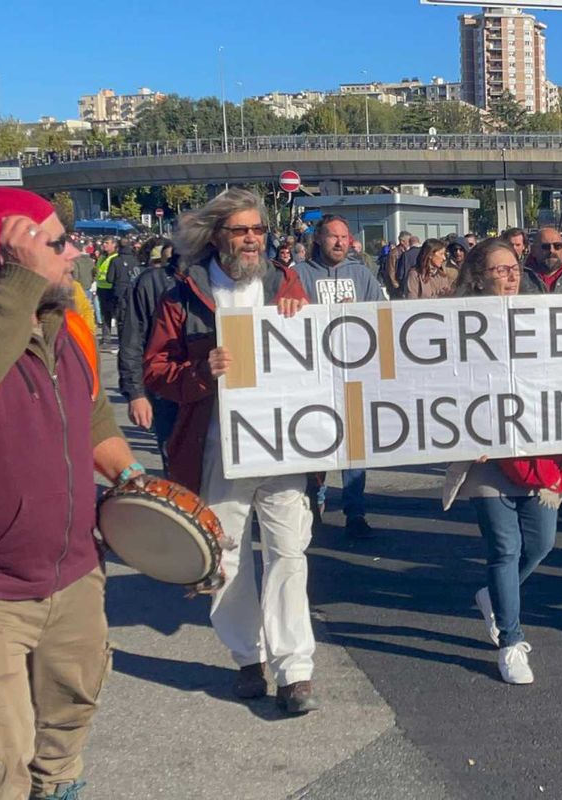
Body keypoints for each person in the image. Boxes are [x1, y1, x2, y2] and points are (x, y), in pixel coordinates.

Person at [0, 187, 143, 799]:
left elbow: (94, 417)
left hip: (73, 574)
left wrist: (134, 481)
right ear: (9, 256)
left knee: (68, 722)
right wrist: (19, 284)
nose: (76, 254)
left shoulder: (68, 325)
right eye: (58, 242)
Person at [143, 189, 321, 712]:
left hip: (283, 444)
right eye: (241, 230)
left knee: (289, 551)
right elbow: (156, 370)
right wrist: (202, 372)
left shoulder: (285, 283)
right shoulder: (184, 295)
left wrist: (302, 317)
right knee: (226, 554)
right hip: (217, 446)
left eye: (258, 230)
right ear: (216, 235)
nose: (251, 239)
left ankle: (295, 671)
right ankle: (248, 657)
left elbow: (322, 354)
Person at [444, 238, 562, 684]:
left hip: (535, 450)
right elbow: (440, 383)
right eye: (500, 270)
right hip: (486, 456)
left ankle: (493, 595)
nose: (511, 276)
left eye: (514, 267)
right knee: (505, 548)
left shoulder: (539, 317)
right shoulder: (456, 323)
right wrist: (463, 431)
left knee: (542, 542)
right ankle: (511, 642)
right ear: (479, 277)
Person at [292, 214, 386, 537]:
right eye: (333, 236)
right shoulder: (299, 274)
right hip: (314, 377)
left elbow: (381, 315)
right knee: (314, 444)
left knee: (354, 448)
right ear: (318, 238)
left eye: (344, 237)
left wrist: (358, 312)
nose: (340, 242)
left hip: (353, 375)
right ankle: (314, 504)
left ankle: (355, 512)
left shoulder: (361, 274)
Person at [118, 240, 179, 470]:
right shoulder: (150, 282)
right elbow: (132, 340)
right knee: (174, 459)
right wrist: (135, 393)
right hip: (164, 385)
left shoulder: (215, 278)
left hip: (206, 386)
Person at [93, 236, 118, 343]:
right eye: (103, 243)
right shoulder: (102, 257)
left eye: (107, 243)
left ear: (114, 244)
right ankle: (106, 337)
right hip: (101, 288)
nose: (104, 245)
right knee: (104, 314)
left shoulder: (115, 257)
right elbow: (98, 270)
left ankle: (120, 337)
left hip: (112, 288)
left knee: (116, 313)